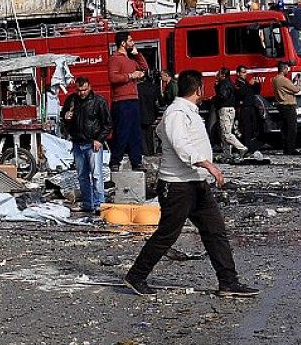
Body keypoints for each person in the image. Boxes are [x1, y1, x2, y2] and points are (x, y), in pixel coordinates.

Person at [124, 70, 259, 298]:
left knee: (215, 231)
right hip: (177, 185)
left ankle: (228, 282)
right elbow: (181, 145)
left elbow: (161, 132)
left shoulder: (187, 112)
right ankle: (136, 276)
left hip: (196, 182)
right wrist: (209, 165)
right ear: (198, 89)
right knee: (167, 234)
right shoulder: (177, 113)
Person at [61, 76, 111, 215]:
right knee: (82, 176)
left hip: (93, 143)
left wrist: (99, 140)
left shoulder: (99, 102)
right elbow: (63, 117)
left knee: (96, 175)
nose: (82, 93)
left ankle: (99, 204)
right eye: (79, 90)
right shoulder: (71, 100)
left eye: (84, 90)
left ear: (90, 87)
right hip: (78, 143)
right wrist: (66, 117)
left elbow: (107, 124)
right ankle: (88, 204)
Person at [107, 33, 148, 171]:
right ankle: (115, 161)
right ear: (123, 43)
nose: (133, 43)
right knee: (122, 131)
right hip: (121, 100)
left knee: (135, 133)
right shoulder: (115, 59)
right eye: (130, 40)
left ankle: (136, 162)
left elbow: (144, 67)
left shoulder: (131, 59)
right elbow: (113, 77)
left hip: (133, 99)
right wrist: (131, 75)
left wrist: (137, 55)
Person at [210, 68, 248, 162]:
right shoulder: (230, 83)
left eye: (219, 73)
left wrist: (214, 98)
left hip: (225, 109)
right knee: (224, 133)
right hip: (231, 109)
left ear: (223, 75)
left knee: (226, 134)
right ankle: (227, 154)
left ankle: (242, 148)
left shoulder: (224, 84)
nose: (217, 75)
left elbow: (223, 96)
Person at [270, 60, 301, 155]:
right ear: (283, 69)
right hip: (288, 105)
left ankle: (286, 148)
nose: (287, 70)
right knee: (291, 128)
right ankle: (291, 149)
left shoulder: (275, 79)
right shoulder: (283, 80)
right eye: (287, 68)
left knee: (284, 128)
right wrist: (298, 82)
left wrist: (292, 82)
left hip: (281, 105)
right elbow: (296, 89)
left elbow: (285, 89)